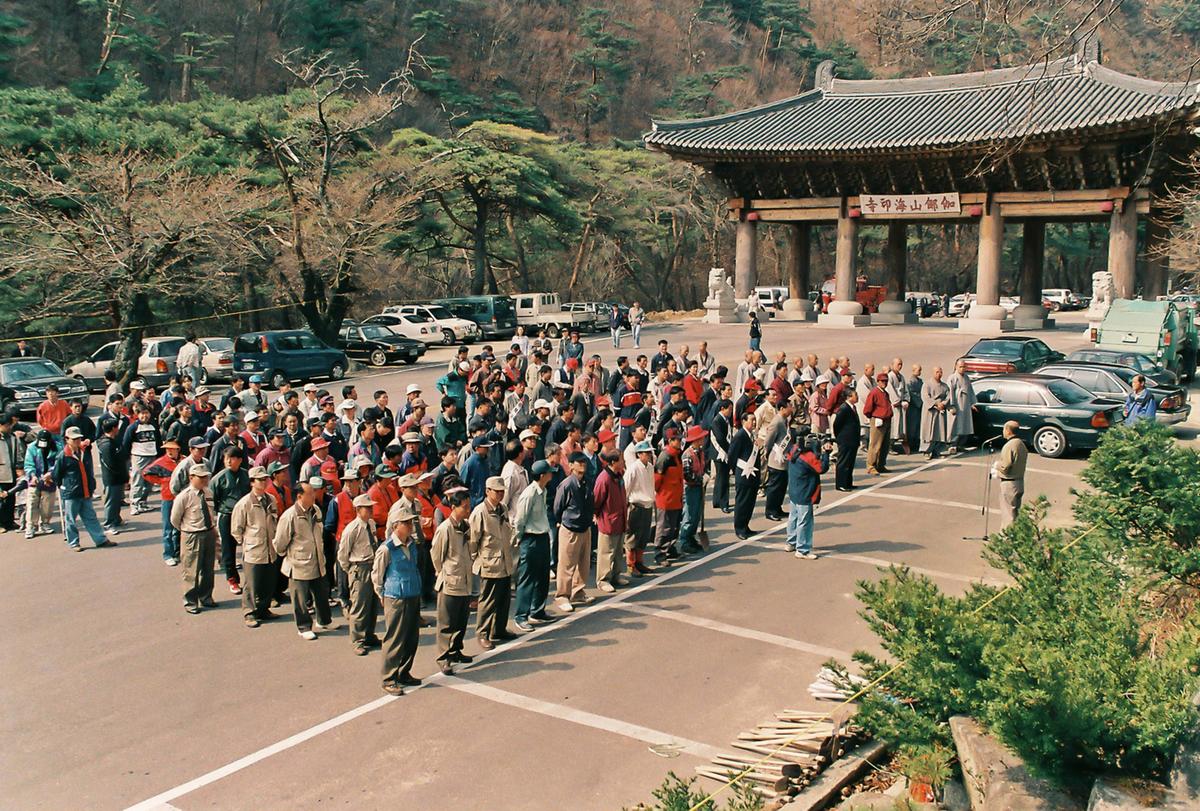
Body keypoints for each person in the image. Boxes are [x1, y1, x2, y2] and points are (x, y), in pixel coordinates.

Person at [373, 506, 424, 695]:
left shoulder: (411, 544)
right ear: (396, 526)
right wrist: (382, 596)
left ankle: (404, 672)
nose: (410, 526)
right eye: (406, 523)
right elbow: (377, 576)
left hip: (412, 594)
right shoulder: (387, 549)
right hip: (395, 597)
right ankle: (389, 677)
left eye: (411, 522)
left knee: (411, 637)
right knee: (394, 638)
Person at [274, 477, 333, 640]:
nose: (313, 495)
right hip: (299, 563)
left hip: (317, 560)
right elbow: (280, 543)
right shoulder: (289, 516)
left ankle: (324, 621)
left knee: (322, 593)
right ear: (299, 496)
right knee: (300, 597)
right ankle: (303, 626)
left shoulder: (316, 510)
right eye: (310, 492)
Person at [468, 476, 515, 650]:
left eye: (502, 491)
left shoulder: (502, 508)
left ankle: (499, 629)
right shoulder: (480, 512)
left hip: (504, 560)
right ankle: (482, 633)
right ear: (488, 491)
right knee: (488, 600)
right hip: (489, 562)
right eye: (497, 491)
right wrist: (475, 559)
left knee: (504, 599)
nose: (501, 494)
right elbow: (473, 540)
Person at [230, 466, 279, 628]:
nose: (264, 482)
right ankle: (249, 612)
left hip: (270, 548)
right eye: (260, 480)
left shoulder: (271, 499)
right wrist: (247, 542)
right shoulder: (244, 503)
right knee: (252, 583)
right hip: (254, 549)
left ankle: (263, 609)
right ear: (252, 482)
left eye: (265, 479)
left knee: (268, 581)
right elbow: (236, 529)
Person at [54, 426, 116, 552]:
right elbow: (57, 474)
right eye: (74, 439)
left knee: (91, 517)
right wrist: (63, 486)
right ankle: (74, 542)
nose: (77, 441)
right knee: (71, 519)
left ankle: (100, 539)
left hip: (85, 490)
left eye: (78, 438)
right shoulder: (63, 456)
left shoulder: (83, 452)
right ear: (67, 439)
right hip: (71, 492)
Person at [430, 491, 473, 671]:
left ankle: (456, 650)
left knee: (461, 620)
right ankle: (443, 656)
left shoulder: (466, 526)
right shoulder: (445, 528)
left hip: (465, 580)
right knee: (446, 623)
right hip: (450, 581)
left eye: (468, 506)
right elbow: (437, 556)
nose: (468, 510)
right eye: (464, 507)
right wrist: (445, 572)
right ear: (453, 507)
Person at [511, 461, 554, 631]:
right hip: (530, 538)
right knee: (527, 579)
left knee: (543, 576)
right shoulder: (529, 494)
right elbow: (520, 520)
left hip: (542, 536)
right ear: (542, 475)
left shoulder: (543, 491)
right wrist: (520, 538)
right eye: (549, 472)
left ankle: (537, 610)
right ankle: (521, 615)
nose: (552, 474)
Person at [338, 492, 382, 655]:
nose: (370, 510)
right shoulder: (352, 529)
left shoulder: (371, 524)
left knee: (372, 604)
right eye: (367, 508)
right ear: (358, 510)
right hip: (359, 567)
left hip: (372, 565)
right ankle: (357, 639)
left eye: (371, 507)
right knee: (359, 605)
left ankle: (369, 635)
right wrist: (351, 570)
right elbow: (343, 554)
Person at [171, 464, 217, 613]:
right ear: (191, 478)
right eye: (201, 477)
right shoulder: (184, 496)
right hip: (192, 534)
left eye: (206, 477)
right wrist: (187, 530)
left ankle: (206, 597)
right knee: (191, 570)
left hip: (208, 532)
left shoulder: (208, 492)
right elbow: (175, 519)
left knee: (208, 568)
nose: (204, 480)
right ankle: (190, 601)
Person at [553, 451, 594, 612]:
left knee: (583, 563)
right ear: (570, 465)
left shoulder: (587, 481)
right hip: (570, 528)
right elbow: (558, 507)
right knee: (566, 564)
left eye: (583, 462)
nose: (582, 465)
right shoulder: (567, 484)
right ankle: (562, 595)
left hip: (585, 527)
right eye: (578, 462)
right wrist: (561, 521)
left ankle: (578, 591)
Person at [210, 447, 250, 595]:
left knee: (249, 546)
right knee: (228, 549)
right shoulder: (219, 478)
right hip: (227, 516)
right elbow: (212, 500)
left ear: (239, 460)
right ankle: (232, 579)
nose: (228, 461)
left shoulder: (246, 475)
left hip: (245, 515)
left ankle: (251, 577)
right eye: (226, 458)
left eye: (231, 458)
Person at [786, 427, 830, 559]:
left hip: (794, 490)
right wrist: (825, 453)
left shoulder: (793, 449)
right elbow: (821, 468)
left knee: (793, 517)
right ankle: (803, 549)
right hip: (805, 492)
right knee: (804, 521)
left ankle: (791, 542)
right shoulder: (807, 457)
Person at [593, 450, 628, 592]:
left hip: (620, 518)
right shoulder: (604, 479)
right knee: (606, 552)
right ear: (613, 462)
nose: (623, 462)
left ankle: (616, 575)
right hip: (608, 520)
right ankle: (603, 579)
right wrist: (597, 516)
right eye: (621, 460)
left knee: (618, 551)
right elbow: (596, 501)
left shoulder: (619, 475)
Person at [142, 440, 182, 564]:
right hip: (168, 498)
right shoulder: (161, 462)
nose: (169, 451)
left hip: (181, 498)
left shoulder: (184, 461)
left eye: (172, 448)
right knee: (168, 528)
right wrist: (162, 481)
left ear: (178, 449)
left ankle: (178, 552)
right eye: (167, 449)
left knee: (179, 528)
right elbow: (146, 473)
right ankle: (168, 554)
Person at [727, 411, 759, 539]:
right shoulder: (740, 436)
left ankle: (745, 526)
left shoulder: (751, 435)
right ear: (744, 421)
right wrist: (736, 471)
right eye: (752, 420)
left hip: (752, 474)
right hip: (743, 473)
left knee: (750, 502)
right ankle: (739, 528)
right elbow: (732, 455)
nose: (754, 422)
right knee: (742, 503)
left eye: (755, 420)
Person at [677, 425, 707, 555]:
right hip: (690, 488)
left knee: (696, 515)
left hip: (698, 487)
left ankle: (691, 537)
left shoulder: (700, 452)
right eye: (702, 438)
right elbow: (687, 475)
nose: (703, 440)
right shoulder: (687, 455)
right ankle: (684, 541)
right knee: (689, 515)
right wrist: (700, 478)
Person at [21, 429, 57, 537]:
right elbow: (28, 464)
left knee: (47, 503)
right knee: (32, 502)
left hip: (49, 480)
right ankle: (31, 526)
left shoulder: (57, 448)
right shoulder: (32, 447)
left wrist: (51, 473)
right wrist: (32, 475)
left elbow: (58, 463)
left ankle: (45, 523)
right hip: (35, 479)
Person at [761, 397, 792, 521]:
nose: (791, 409)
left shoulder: (784, 420)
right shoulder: (777, 422)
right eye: (789, 406)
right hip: (776, 460)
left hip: (783, 459)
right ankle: (770, 510)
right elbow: (769, 440)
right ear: (782, 408)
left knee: (782, 487)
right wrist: (766, 454)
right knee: (774, 487)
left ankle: (778, 508)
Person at [993, 420, 1027, 529]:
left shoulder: (1009, 445)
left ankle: (1007, 540)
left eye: (1004, 429)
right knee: (1015, 513)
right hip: (1019, 482)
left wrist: (997, 465)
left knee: (1008, 515)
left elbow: (1006, 466)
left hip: (1009, 484)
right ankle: (1016, 535)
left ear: (1008, 431)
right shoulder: (1021, 444)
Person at [96, 417, 126, 534]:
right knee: (111, 500)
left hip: (118, 476)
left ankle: (116, 519)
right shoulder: (106, 445)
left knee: (117, 499)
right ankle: (109, 523)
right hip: (111, 477)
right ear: (113, 428)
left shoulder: (113, 440)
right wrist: (120, 472)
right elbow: (110, 464)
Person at [862, 372, 894, 476]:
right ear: (878, 381)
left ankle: (880, 464)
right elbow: (867, 409)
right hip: (878, 421)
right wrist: (874, 417)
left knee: (885, 444)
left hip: (887, 420)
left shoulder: (885, 393)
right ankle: (871, 465)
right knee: (875, 444)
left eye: (886, 381)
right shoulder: (874, 393)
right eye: (882, 381)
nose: (884, 383)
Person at [920, 367, 951, 457]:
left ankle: (936, 451)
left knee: (939, 431)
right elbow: (925, 397)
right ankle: (926, 451)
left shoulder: (944, 386)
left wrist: (943, 404)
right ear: (933, 373)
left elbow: (948, 397)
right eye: (937, 372)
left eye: (941, 372)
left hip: (940, 411)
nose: (939, 374)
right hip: (930, 411)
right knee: (929, 431)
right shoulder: (927, 384)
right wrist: (935, 404)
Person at [709, 399, 733, 512]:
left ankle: (717, 500)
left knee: (721, 477)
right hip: (720, 453)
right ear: (722, 409)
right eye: (729, 409)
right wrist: (729, 450)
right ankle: (723, 503)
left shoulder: (726, 420)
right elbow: (720, 439)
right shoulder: (717, 420)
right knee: (723, 478)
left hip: (723, 451)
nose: (731, 411)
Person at [947, 359, 977, 450]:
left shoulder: (966, 378)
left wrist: (972, 403)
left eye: (964, 367)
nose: (962, 369)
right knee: (956, 425)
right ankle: (952, 444)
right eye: (960, 367)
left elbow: (970, 391)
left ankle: (961, 444)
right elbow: (950, 392)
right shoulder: (952, 378)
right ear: (956, 367)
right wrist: (951, 405)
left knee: (965, 425)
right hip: (957, 405)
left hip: (965, 405)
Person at [0, 414, 22, 533]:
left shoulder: (13, 437)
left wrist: (19, 467)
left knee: (11, 499)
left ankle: (9, 521)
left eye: (10, 425)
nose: (9, 428)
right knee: (1, 501)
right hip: (1, 474)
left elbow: (18, 453)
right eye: (7, 426)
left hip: (11, 473)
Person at [905, 364, 924, 454]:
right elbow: (911, 393)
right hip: (913, 407)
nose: (919, 372)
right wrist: (919, 401)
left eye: (920, 370)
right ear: (913, 370)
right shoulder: (910, 382)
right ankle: (911, 443)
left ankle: (917, 442)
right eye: (918, 370)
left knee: (918, 426)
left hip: (919, 406)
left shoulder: (920, 381)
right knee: (912, 426)